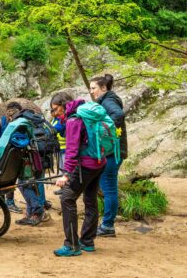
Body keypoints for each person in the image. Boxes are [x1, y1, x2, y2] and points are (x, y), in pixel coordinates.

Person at [52, 92, 106, 257]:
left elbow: (72, 150)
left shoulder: (73, 120)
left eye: (55, 109)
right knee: (90, 200)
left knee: (67, 198)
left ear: (63, 105)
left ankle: (72, 245)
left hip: (86, 165)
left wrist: (66, 174)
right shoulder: (84, 112)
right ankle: (87, 242)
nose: (55, 113)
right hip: (99, 162)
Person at [90, 74, 127, 238]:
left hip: (113, 151)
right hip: (114, 150)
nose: (92, 92)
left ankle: (107, 226)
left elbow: (118, 115)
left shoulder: (107, 101)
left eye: (94, 88)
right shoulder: (108, 99)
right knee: (107, 186)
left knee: (109, 187)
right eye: (90, 89)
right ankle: (107, 224)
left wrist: (103, 130)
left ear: (103, 88)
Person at [0, 103, 23, 213]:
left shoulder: (18, 123)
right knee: (1, 178)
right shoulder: (0, 123)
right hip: (3, 156)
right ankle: (1, 200)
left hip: (12, 156)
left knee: (11, 178)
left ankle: (9, 202)